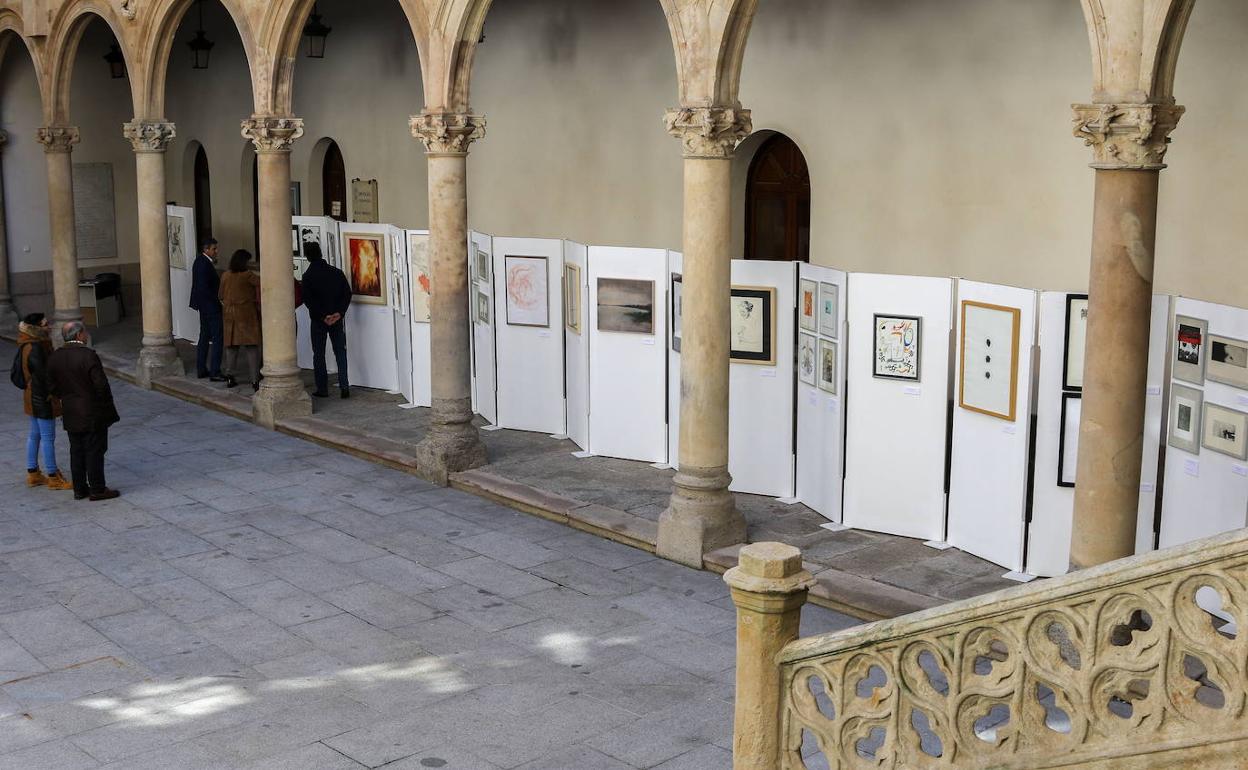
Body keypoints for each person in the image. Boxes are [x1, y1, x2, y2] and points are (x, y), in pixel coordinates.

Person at [47, 321, 120, 501]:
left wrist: (66, 396)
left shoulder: (56, 356)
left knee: (77, 450)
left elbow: (51, 385)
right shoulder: (88, 356)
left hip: (71, 410)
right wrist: (104, 405)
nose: (86, 335)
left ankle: (79, 489)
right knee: (95, 449)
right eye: (84, 332)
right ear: (79, 335)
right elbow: (101, 385)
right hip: (91, 410)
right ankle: (97, 488)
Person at [17, 313, 72, 491]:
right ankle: (52, 476)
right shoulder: (36, 347)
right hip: (42, 398)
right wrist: (57, 393)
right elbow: (44, 376)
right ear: (37, 328)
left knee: (35, 435)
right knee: (48, 437)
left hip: (32, 396)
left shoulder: (27, 343)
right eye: (45, 324)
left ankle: (33, 473)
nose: (49, 326)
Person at [300, 241, 352, 399]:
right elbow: (347, 294)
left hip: (319, 320)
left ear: (307, 256)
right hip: (336, 318)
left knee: (319, 354)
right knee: (340, 352)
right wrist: (339, 313)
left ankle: (322, 388)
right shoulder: (336, 272)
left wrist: (324, 316)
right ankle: (344, 386)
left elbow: (309, 301)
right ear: (321, 253)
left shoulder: (308, 277)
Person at [219, 249, 262, 391]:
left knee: (231, 348)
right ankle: (255, 380)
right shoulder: (248, 275)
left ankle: (230, 375)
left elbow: (220, 295)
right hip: (246, 315)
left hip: (229, 315)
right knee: (251, 348)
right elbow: (263, 284)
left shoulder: (225, 275)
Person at [190, 237, 225, 382]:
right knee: (217, 338)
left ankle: (201, 368)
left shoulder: (199, 261)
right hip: (210, 306)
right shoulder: (204, 264)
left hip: (203, 306)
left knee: (204, 336)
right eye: (214, 249)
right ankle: (215, 371)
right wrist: (219, 302)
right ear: (206, 249)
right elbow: (205, 288)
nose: (216, 251)